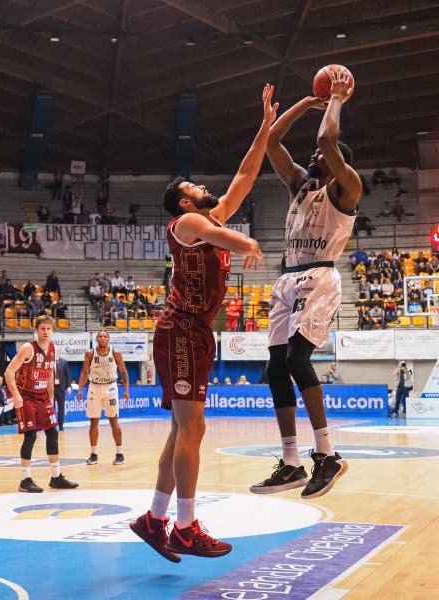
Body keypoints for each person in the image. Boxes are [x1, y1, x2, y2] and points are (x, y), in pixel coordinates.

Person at [130, 83, 274, 562]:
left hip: (192, 333)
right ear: (184, 202)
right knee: (192, 429)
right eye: (193, 187)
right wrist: (248, 243)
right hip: (183, 330)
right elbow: (224, 236)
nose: (201, 187)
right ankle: (186, 527)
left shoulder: (207, 216)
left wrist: (265, 126)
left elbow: (245, 176)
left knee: (183, 430)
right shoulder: (187, 225)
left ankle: (154, 518)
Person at [250, 67, 359, 499]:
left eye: (319, 160)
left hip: (319, 275)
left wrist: (335, 100)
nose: (310, 160)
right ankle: (292, 462)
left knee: (297, 361)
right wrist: (309, 102)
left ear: (337, 164)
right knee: (274, 369)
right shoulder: (300, 185)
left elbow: (325, 142)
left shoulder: (348, 186)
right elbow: (272, 141)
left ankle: (327, 455)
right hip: (287, 278)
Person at [4, 315, 78, 493]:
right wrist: (16, 395)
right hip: (26, 396)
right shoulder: (28, 348)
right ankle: (25, 479)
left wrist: (51, 399)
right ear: (36, 330)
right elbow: (8, 372)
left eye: (49, 328)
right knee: (31, 436)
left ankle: (56, 477)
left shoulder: (54, 349)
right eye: (42, 328)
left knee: (53, 432)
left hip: (43, 397)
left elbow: (50, 375)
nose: (46, 332)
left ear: (53, 331)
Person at [77, 331, 128, 466]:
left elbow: (123, 371)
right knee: (94, 421)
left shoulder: (116, 353)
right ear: (97, 339)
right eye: (100, 336)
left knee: (113, 420)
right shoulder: (90, 353)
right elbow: (84, 372)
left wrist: (127, 390)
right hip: (94, 386)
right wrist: (80, 389)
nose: (103, 338)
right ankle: (93, 454)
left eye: (105, 336)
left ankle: (120, 453)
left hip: (111, 387)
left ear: (108, 339)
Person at [54, 356, 71, 431]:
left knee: (61, 408)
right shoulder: (49, 361)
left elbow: (68, 375)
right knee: (51, 408)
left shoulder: (64, 362)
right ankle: (52, 425)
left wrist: (69, 386)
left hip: (61, 388)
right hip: (51, 388)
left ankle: (61, 425)